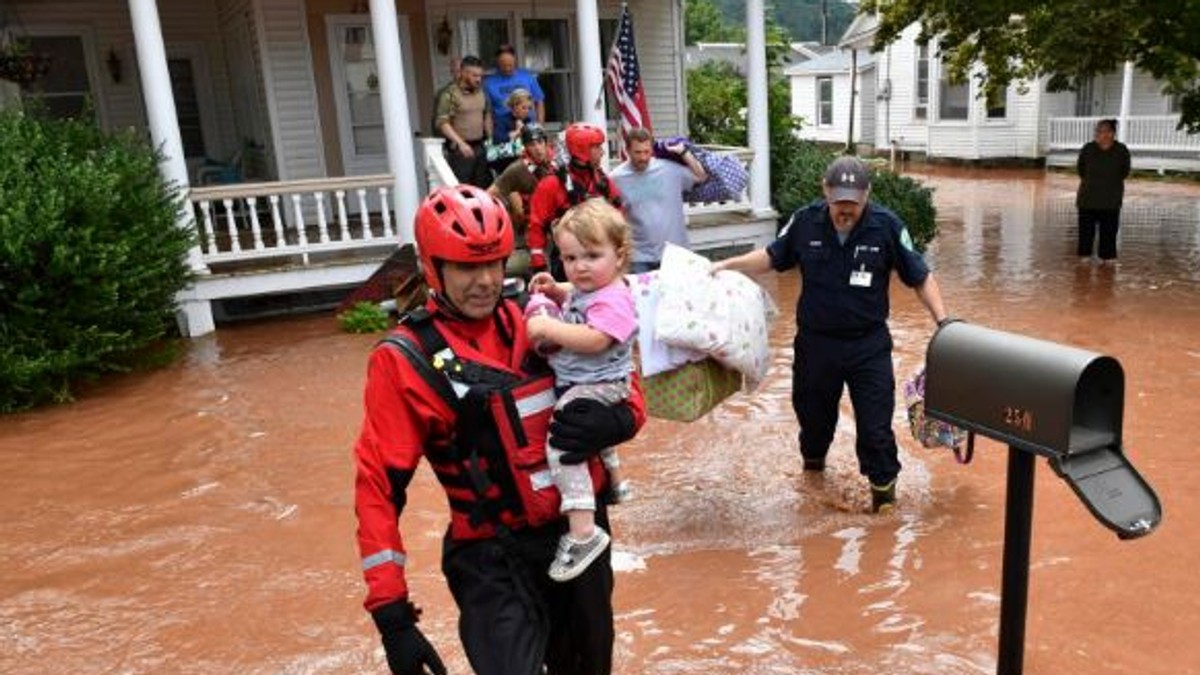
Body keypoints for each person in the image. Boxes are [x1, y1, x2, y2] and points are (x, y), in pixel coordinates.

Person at [353, 184, 646, 675]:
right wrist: (392, 616)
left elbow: (620, 376)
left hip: (575, 540)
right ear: (433, 268)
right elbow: (377, 488)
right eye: (467, 267)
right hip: (491, 561)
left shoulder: (536, 319)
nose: (486, 280)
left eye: (495, 263)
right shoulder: (404, 361)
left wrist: (622, 418)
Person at [711, 156, 948, 513]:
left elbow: (920, 276)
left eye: (852, 203)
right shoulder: (806, 221)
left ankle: (884, 508)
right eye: (839, 202)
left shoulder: (886, 226)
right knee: (814, 423)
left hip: (868, 346)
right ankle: (814, 476)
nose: (845, 210)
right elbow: (774, 257)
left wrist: (943, 323)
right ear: (825, 191)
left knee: (876, 431)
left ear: (866, 195)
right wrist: (728, 265)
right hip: (815, 346)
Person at [524, 199, 637, 582]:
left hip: (601, 383)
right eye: (570, 258)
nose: (580, 267)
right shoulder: (594, 286)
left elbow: (596, 338)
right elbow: (578, 294)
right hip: (588, 380)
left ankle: (583, 531)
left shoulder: (616, 297)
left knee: (563, 442)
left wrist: (546, 329)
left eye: (591, 255)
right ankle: (617, 485)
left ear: (619, 257)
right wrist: (557, 291)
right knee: (596, 439)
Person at [528, 123, 624, 280]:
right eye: (597, 147)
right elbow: (536, 225)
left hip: (600, 257)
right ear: (583, 151)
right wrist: (538, 263)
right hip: (568, 262)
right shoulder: (552, 184)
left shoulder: (602, 181)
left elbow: (619, 215)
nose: (602, 152)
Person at [610, 128, 708, 273]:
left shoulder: (669, 169)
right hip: (639, 257)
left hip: (675, 253)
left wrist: (684, 152)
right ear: (628, 150)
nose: (643, 157)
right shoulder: (616, 178)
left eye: (646, 152)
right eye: (638, 152)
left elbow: (701, 176)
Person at [489, 122, 555, 276]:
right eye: (532, 144)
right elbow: (489, 195)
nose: (537, 148)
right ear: (525, 147)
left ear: (546, 143)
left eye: (540, 142)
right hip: (529, 235)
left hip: (558, 230)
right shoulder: (517, 169)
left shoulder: (557, 164)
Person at [1076, 118, 1131, 264]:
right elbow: (1081, 170)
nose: (1101, 134)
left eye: (1105, 131)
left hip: (1111, 201)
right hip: (1087, 199)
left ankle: (1107, 259)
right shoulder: (1088, 149)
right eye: (1098, 131)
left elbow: (1125, 172)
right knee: (1086, 233)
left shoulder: (1121, 150)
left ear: (1112, 133)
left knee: (1109, 233)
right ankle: (1085, 259)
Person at [434, 55, 492, 188]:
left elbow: (486, 115)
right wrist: (461, 144)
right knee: (462, 190)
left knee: (483, 188)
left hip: (481, 147)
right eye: (474, 75)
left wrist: (490, 138)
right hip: (461, 149)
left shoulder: (482, 92)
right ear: (464, 73)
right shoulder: (450, 94)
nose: (479, 79)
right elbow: (443, 123)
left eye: (480, 76)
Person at [484, 43, 546, 126]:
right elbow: (488, 112)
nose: (507, 69)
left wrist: (540, 125)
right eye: (503, 66)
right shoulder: (489, 83)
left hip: (528, 124)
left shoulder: (527, 77)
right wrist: (490, 136)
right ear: (497, 62)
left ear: (515, 60)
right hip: (502, 127)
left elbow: (539, 102)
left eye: (510, 65)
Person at [487, 88, 535, 175]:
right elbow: (497, 139)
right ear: (515, 106)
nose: (527, 111)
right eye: (524, 108)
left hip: (524, 162)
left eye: (529, 108)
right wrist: (517, 132)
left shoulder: (528, 120)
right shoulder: (502, 119)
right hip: (505, 163)